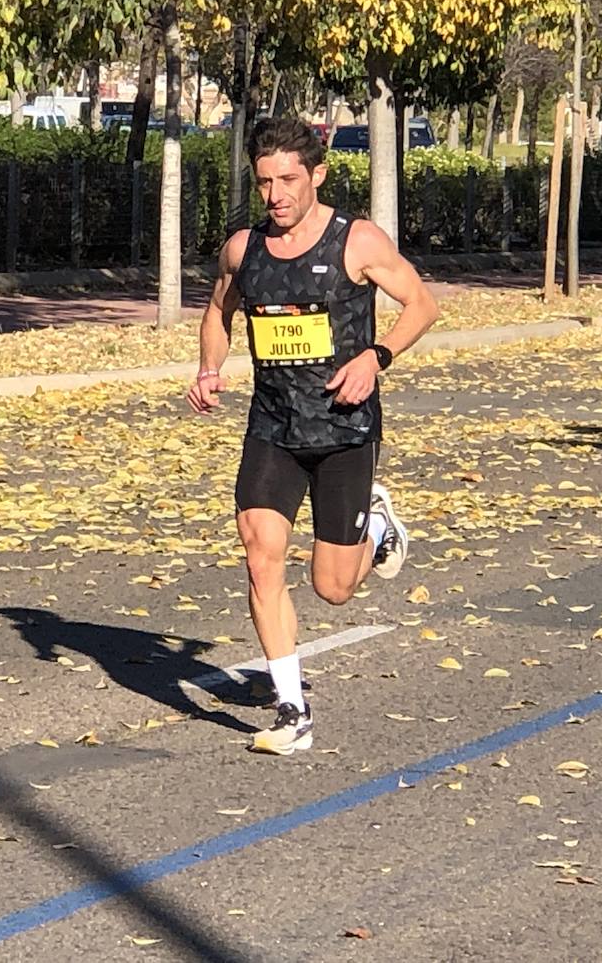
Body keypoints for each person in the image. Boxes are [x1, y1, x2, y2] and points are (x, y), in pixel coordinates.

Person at [187, 117, 439, 756]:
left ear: (317, 175)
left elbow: (422, 304)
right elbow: (219, 311)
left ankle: (375, 529)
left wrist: (375, 357)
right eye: (265, 181)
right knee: (259, 549)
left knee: (333, 587)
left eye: (288, 180)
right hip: (273, 426)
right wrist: (210, 367)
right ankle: (291, 708)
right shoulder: (243, 250)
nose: (275, 194)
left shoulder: (355, 241)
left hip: (343, 429)